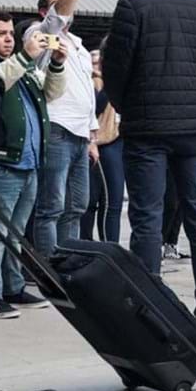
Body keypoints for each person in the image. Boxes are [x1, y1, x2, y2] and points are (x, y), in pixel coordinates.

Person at [101, 0, 196, 340]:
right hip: (191, 127)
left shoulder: (133, 4)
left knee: (147, 216)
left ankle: (149, 306)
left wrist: (124, 105)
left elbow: (116, 69)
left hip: (147, 126)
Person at [0, 11, 65, 318]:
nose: (9, 38)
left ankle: (12, 288)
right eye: (0, 33)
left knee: (15, 234)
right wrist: (27, 55)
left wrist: (56, 63)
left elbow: (52, 93)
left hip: (28, 165)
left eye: (11, 33)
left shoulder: (22, 68)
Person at [26, 0, 105, 254]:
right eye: (58, 4)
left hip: (80, 135)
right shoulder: (38, 35)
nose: (67, 8)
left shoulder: (80, 46)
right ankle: (49, 270)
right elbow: (56, 20)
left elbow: (85, 93)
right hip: (56, 129)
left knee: (77, 205)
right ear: (43, 12)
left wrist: (92, 136)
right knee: (52, 206)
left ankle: (69, 265)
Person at [81, 48, 125, 245]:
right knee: (91, 202)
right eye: (94, 63)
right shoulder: (90, 82)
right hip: (95, 143)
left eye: (100, 63)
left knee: (111, 202)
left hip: (115, 141)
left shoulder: (115, 82)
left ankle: (110, 248)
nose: (97, 68)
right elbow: (95, 107)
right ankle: (88, 245)